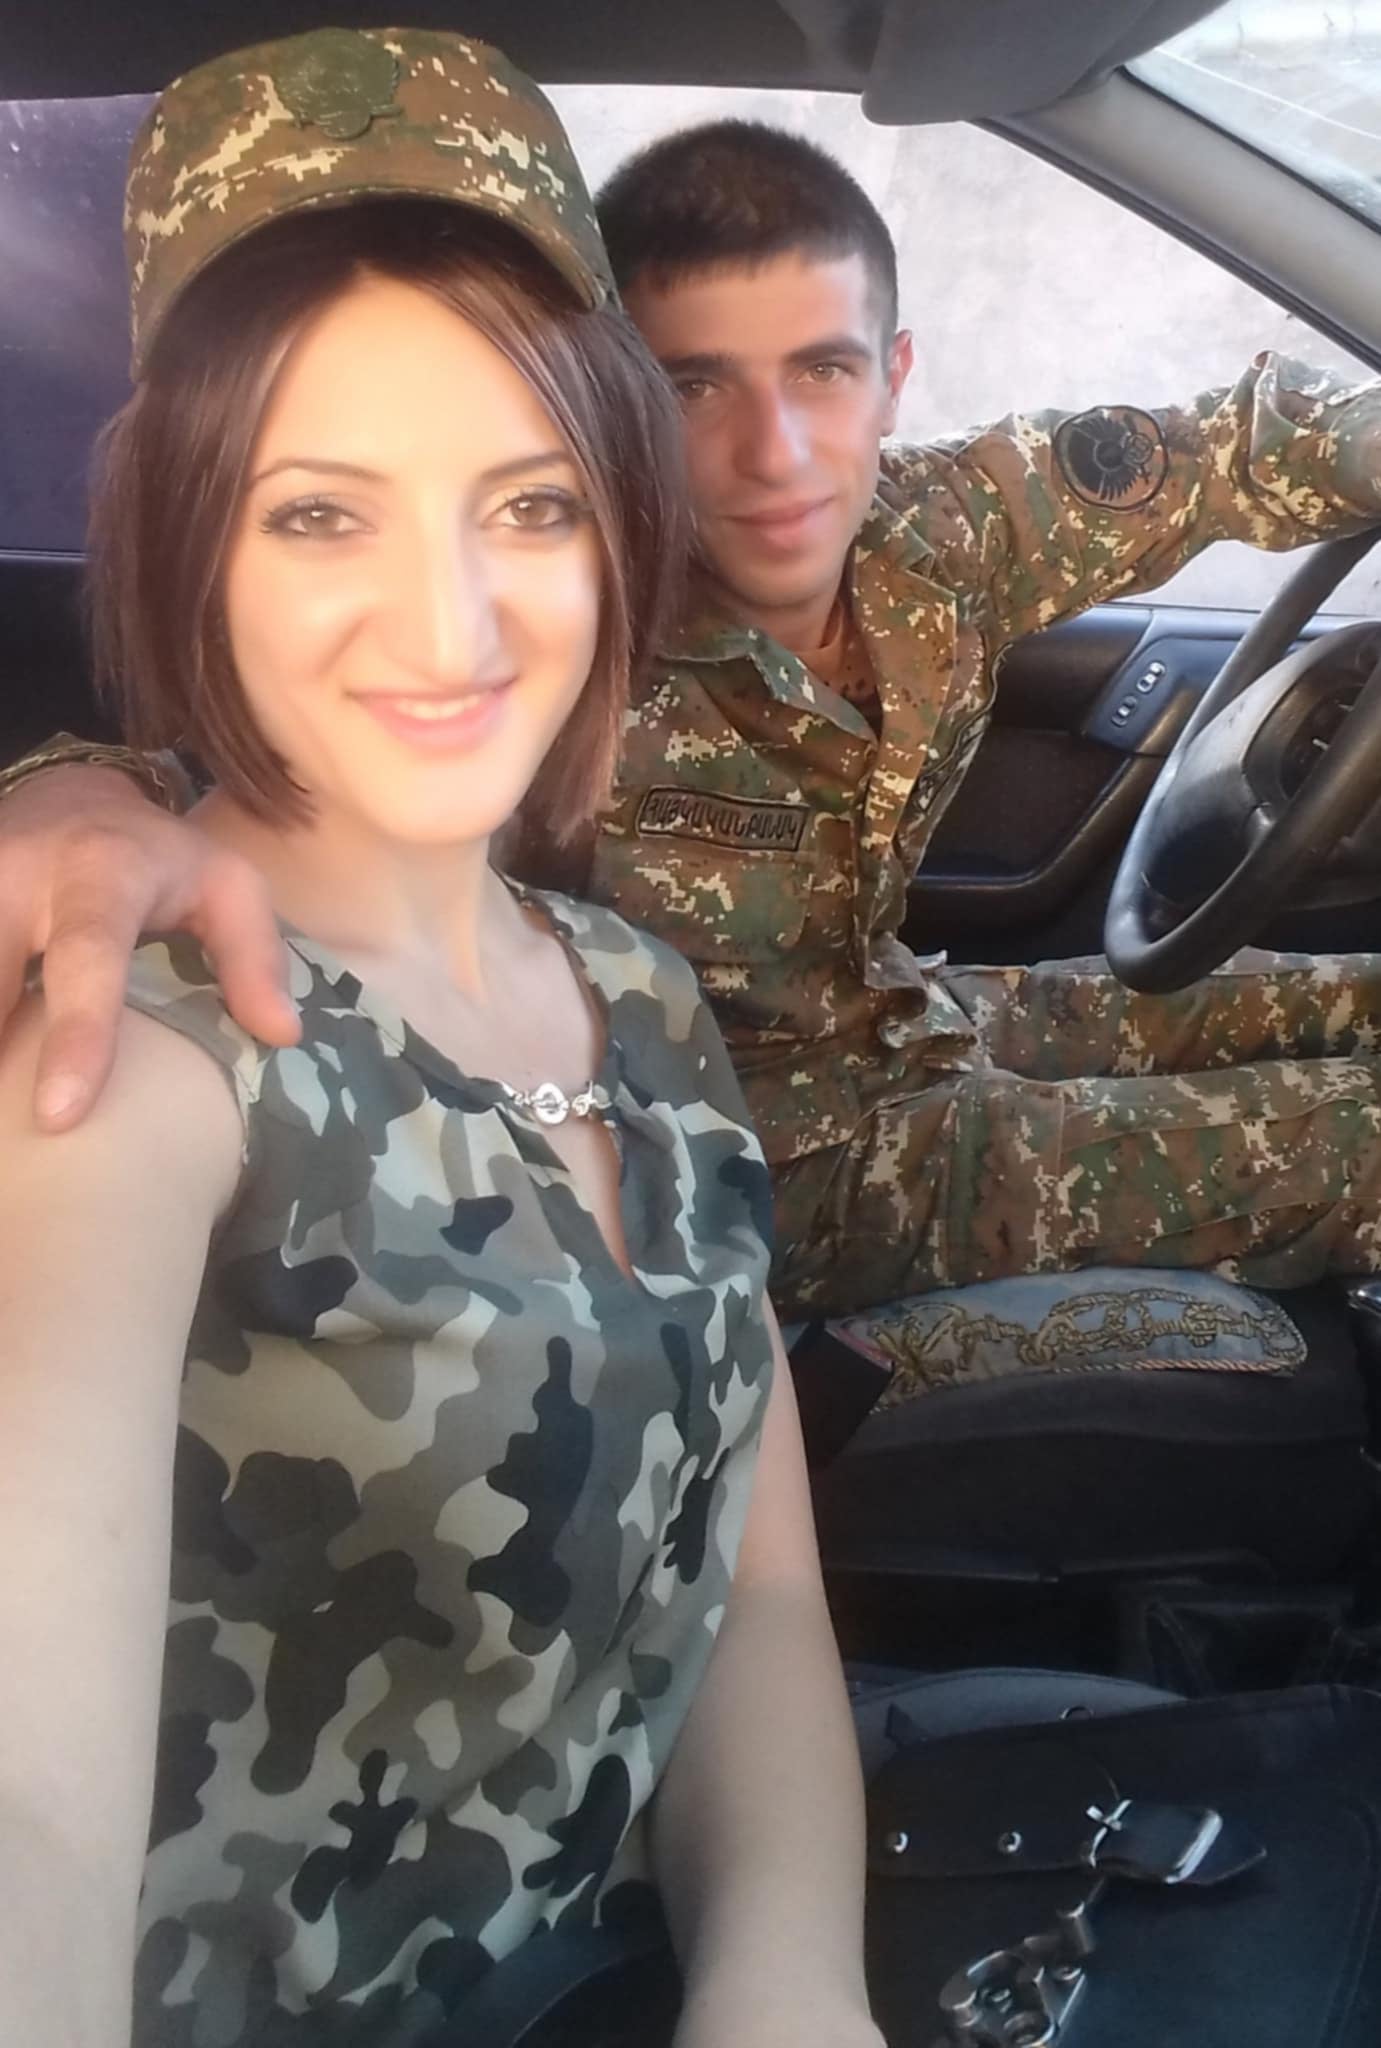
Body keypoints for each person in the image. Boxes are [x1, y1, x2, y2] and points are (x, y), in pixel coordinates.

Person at [0, 34, 880, 2048]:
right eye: (320, 514)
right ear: (187, 535)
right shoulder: (131, 1070)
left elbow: (754, 1597)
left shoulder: (638, 993)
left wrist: (784, 1982)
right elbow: (26, 1810)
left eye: (530, 505)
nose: (453, 624)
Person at [6, 119, 1381, 1324]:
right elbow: (261, 772)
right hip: (755, 1168)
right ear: (611, 412)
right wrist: (72, 800)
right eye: (694, 386)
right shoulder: (558, 620)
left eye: (822, 372)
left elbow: (1255, 440)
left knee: (1348, 992)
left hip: (905, 1024)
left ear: (893, 375)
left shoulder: (957, 526)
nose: (775, 455)